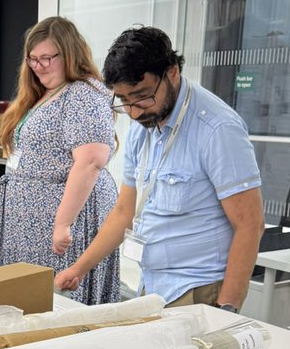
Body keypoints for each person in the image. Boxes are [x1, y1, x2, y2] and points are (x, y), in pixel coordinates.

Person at [55, 26, 264, 311]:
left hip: (200, 291)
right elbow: (124, 213)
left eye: (141, 96)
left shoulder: (217, 129)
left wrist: (225, 309)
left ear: (172, 73)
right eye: (124, 100)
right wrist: (78, 269)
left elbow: (250, 225)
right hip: (152, 286)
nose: (134, 111)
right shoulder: (144, 128)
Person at [0, 16, 120, 305]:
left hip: (61, 221)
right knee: (29, 299)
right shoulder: (45, 92)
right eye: (33, 59)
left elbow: (90, 160)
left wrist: (63, 223)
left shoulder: (84, 94)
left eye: (47, 58)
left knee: (58, 299)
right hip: (30, 221)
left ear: (70, 53)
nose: (39, 67)